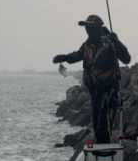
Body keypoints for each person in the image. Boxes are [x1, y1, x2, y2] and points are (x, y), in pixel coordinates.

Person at [53, 14, 131, 144]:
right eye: (86, 28)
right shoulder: (87, 45)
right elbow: (77, 55)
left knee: (103, 120)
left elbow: (126, 58)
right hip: (95, 90)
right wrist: (64, 57)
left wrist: (116, 41)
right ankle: (101, 145)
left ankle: (105, 147)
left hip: (109, 89)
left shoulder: (109, 41)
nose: (87, 30)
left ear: (98, 28)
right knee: (97, 121)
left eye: (90, 28)